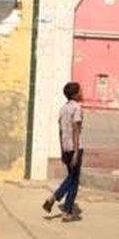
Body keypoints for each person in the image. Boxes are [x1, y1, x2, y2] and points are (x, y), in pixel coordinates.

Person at [42, 82, 83, 222]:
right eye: (80, 91)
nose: (82, 93)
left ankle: (55, 199)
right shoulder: (77, 108)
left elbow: (60, 131)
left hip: (65, 147)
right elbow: (76, 131)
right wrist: (77, 152)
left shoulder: (63, 109)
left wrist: (62, 151)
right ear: (75, 94)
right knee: (74, 180)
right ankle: (66, 210)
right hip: (74, 147)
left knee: (71, 177)